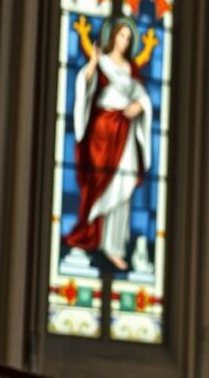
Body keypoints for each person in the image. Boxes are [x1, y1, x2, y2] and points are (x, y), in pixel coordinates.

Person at [64, 16, 151, 271]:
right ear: (113, 37)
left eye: (128, 38)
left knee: (124, 185)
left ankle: (113, 246)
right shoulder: (102, 62)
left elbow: (141, 96)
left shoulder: (130, 69)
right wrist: (91, 63)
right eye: (121, 36)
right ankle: (90, 235)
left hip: (125, 131)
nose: (124, 41)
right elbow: (86, 83)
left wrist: (140, 106)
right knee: (99, 184)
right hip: (103, 129)